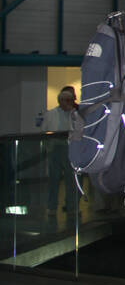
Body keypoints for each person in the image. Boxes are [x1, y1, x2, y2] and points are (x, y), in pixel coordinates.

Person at [39, 86, 79, 226]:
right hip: (55, 146)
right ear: (59, 100)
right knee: (54, 178)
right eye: (63, 100)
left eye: (68, 100)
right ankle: (52, 206)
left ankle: (71, 206)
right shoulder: (51, 114)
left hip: (69, 147)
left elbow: (79, 129)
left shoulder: (75, 114)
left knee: (70, 178)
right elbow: (44, 128)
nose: (66, 102)